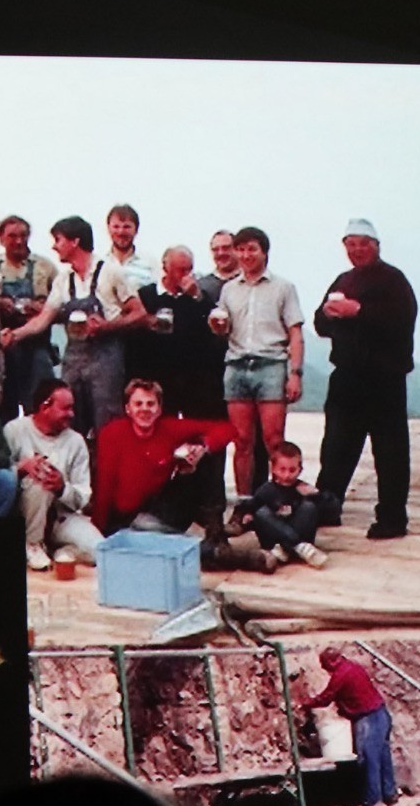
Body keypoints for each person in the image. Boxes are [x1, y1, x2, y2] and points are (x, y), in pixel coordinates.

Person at [313, 218, 419, 540]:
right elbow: (320, 324)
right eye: (351, 244)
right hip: (346, 376)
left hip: (385, 378)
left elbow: (402, 320)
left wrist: (357, 310)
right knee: (336, 446)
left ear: (376, 246)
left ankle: (392, 518)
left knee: (389, 451)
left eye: (363, 244)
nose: (357, 250)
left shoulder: (393, 280)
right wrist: (330, 314)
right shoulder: (343, 279)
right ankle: (327, 507)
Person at [3, 216, 144, 440]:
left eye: (58, 240)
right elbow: (43, 320)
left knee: (107, 425)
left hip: (105, 360)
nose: (54, 246)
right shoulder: (64, 279)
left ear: (75, 242)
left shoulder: (110, 272)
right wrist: (14, 335)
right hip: (74, 359)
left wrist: (107, 326)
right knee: (69, 423)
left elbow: (139, 313)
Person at [208, 226, 304, 498]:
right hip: (237, 365)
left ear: (264, 252)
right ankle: (244, 503)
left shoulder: (283, 287)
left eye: (252, 249)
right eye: (241, 249)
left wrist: (295, 373)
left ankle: (278, 501)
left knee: (274, 440)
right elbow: (223, 329)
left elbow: (295, 333)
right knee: (241, 442)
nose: (246, 255)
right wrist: (216, 326)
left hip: (270, 365)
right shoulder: (228, 289)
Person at [90, 379, 235, 538]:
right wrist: (99, 531)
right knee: (143, 527)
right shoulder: (112, 434)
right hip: (125, 516)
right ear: (128, 409)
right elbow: (104, 485)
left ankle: (213, 528)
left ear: (159, 409)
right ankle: (203, 550)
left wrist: (202, 446)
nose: (145, 409)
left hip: (158, 509)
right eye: (138, 404)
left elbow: (228, 429)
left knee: (209, 456)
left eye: (150, 404)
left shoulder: (169, 428)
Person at [3, 379, 102, 571]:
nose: (71, 414)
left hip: (61, 517)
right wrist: (23, 467)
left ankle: (61, 553)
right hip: (24, 515)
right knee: (40, 479)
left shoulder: (76, 441)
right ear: (45, 406)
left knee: (99, 550)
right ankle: (33, 544)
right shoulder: (15, 430)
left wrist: (62, 488)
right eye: (65, 408)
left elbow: (82, 498)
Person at [131, 245, 223, 421]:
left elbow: (213, 328)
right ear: (166, 268)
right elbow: (135, 338)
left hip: (192, 378)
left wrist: (197, 297)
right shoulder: (147, 295)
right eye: (181, 270)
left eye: (190, 269)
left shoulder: (198, 296)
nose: (186, 275)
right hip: (158, 376)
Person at [298, 646, 398, 806]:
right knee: (382, 756)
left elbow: (327, 697)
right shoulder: (353, 667)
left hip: (368, 718)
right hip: (381, 713)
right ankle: (390, 794)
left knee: (368, 759)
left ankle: (372, 800)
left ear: (332, 661)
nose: (323, 668)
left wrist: (307, 704)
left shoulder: (341, 675)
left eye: (324, 664)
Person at [0, 214, 59, 418]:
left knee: (42, 404)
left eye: (23, 235)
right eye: (12, 236)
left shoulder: (45, 267)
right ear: (1, 238)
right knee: (3, 408)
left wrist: (42, 308)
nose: (19, 241)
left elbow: (63, 304)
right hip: (4, 349)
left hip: (37, 347)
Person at [233, 440, 329, 568]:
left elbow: (333, 510)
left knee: (309, 507)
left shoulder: (303, 488)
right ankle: (298, 545)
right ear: (273, 468)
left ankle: (287, 547)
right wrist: (247, 518)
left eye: (292, 470)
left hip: (295, 534)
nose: (287, 475)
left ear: (300, 469)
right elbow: (248, 507)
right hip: (273, 541)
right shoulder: (266, 490)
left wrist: (317, 495)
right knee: (261, 513)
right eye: (282, 469)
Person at [103, 203, 155, 289]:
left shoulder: (150, 264)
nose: (121, 232)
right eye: (116, 227)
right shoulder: (100, 264)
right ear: (108, 229)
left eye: (126, 227)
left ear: (136, 229)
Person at [196, 230, 241, 305]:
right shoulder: (201, 286)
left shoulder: (249, 283)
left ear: (237, 249)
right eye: (216, 250)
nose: (221, 253)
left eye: (226, 248)